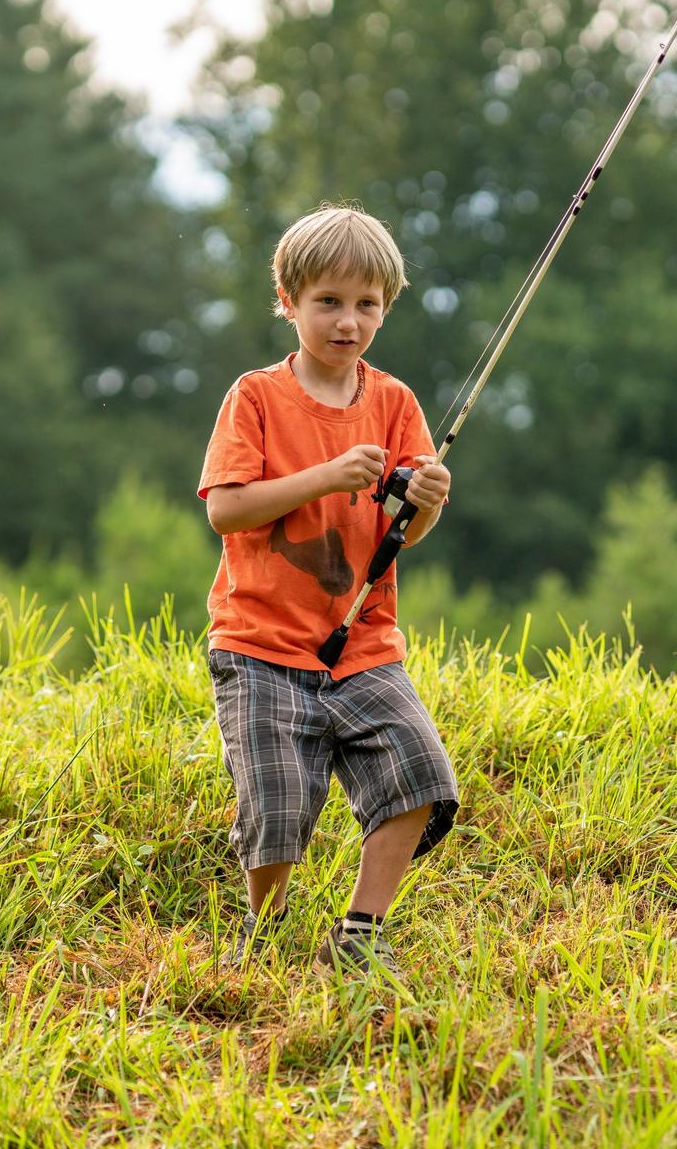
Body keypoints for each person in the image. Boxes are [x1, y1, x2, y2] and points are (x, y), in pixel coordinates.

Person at [199, 202, 460, 977]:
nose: (349, 321)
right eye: (329, 302)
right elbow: (226, 508)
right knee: (278, 806)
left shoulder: (395, 402)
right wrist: (325, 474)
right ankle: (266, 927)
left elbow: (400, 536)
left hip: (364, 644)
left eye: (367, 304)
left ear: (387, 305)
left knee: (421, 775)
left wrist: (427, 505)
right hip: (259, 643)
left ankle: (361, 931)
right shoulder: (255, 396)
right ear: (288, 300)